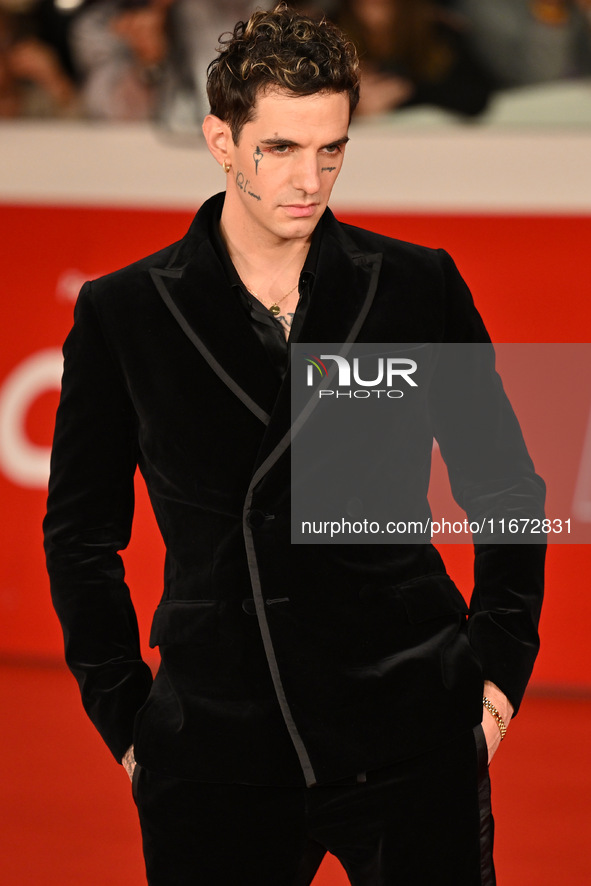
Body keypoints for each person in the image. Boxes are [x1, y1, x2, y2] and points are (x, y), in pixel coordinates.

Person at [43, 4, 546, 884]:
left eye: (331, 148)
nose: (308, 180)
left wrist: (496, 680)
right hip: (215, 745)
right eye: (278, 148)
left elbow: (507, 485)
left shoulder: (416, 284)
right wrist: (126, 718)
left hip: (409, 729)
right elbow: (81, 536)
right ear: (221, 139)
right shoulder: (124, 312)